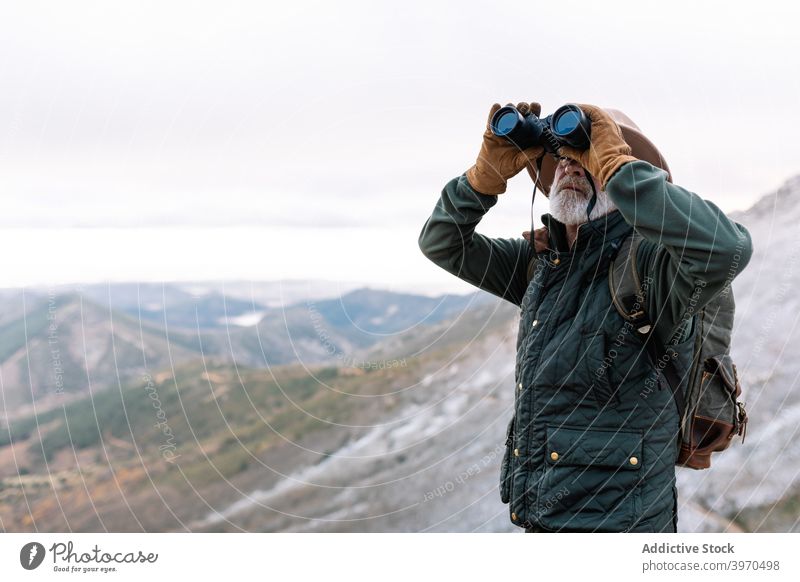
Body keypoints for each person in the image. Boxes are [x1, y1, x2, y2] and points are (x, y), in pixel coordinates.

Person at [417, 101, 753, 532]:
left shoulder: (653, 266)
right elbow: (442, 242)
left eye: (586, 159)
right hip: (539, 519)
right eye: (559, 160)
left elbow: (728, 250)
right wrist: (483, 179)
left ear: (620, 177)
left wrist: (616, 165)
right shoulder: (543, 265)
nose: (568, 168)